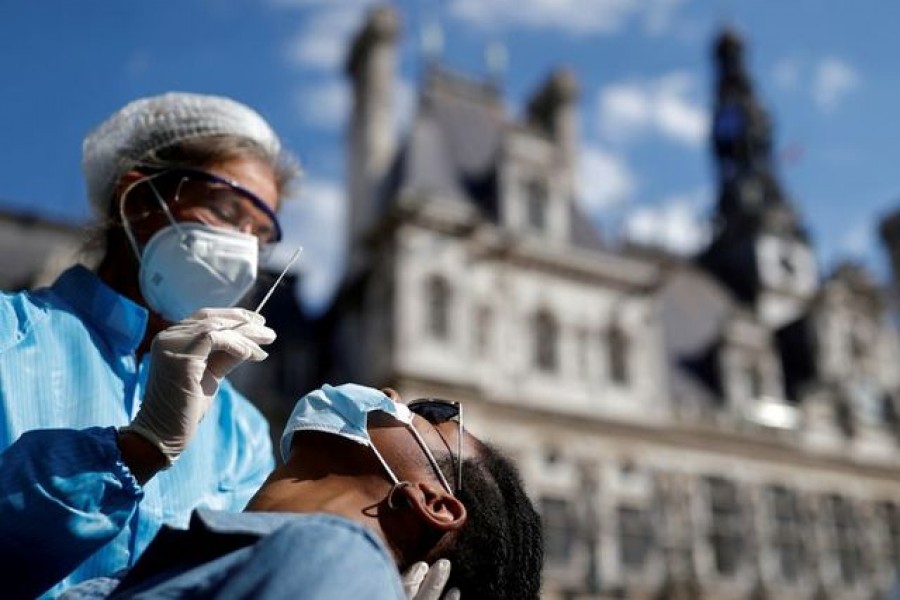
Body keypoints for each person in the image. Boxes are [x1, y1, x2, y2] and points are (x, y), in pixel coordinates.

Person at [0, 92, 300, 598]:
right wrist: (136, 449)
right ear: (139, 202)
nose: (245, 249)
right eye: (226, 210)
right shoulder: (9, 333)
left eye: (260, 234)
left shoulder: (242, 431)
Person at [60, 384, 544, 600]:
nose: (393, 397)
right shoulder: (203, 554)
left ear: (432, 502)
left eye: (432, 414)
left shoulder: (335, 557)